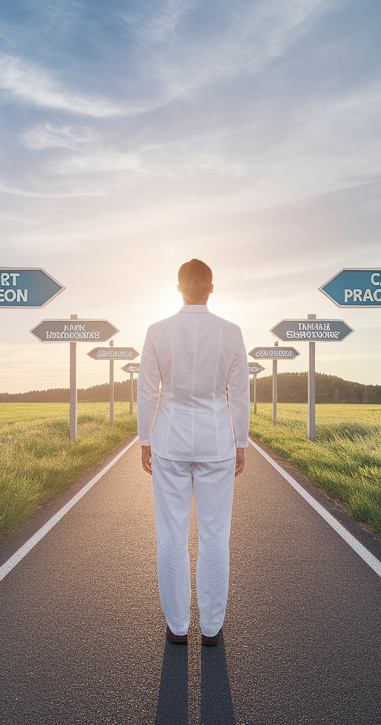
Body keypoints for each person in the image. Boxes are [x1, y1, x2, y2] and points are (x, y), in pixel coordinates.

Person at [138, 258, 249, 647]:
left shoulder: (157, 331)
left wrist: (144, 439)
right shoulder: (232, 332)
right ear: (211, 288)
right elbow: (239, 392)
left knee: (171, 535)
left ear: (179, 287)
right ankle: (212, 629)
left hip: (169, 441)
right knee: (215, 536)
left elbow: (148, 390)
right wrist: (241, 442)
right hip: (217, 442)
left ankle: (177, 627)